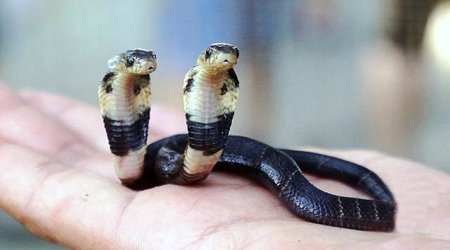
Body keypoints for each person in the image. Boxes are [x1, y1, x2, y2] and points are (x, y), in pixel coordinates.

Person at [0, 83, 449, 249]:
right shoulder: (164, 150)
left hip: (291, 183)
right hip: (170, 156)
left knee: (278, 165)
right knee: (198, 154)